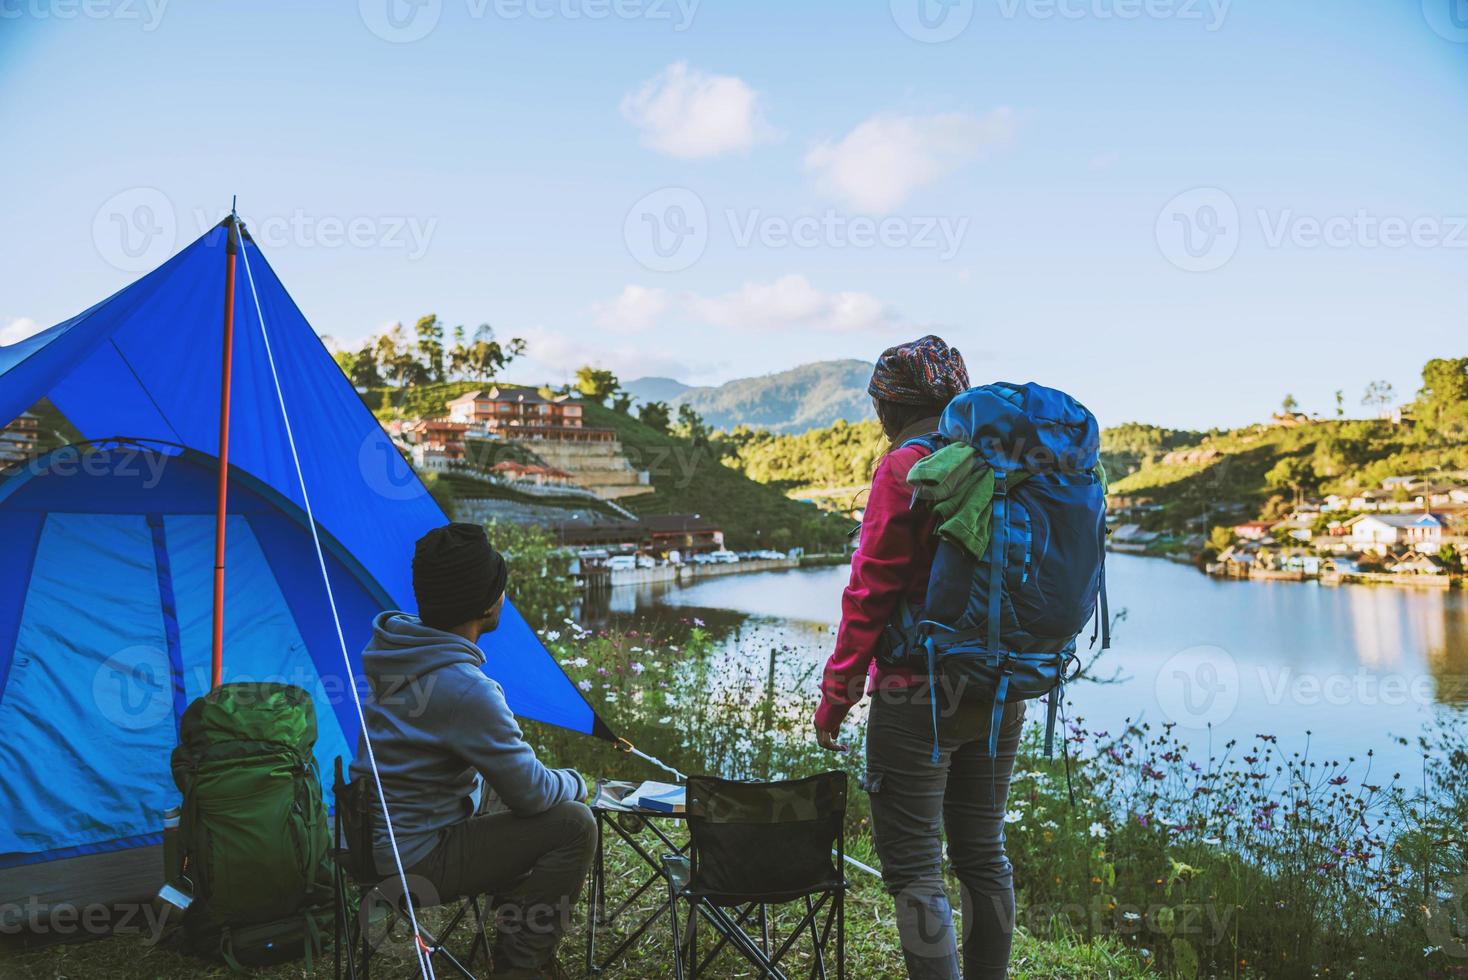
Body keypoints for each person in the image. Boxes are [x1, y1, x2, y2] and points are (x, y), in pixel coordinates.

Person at [813, 336, 1023, 980]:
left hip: (917, 693)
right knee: (984, 853)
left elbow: (869, 591)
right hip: (1000, 686)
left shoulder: (905, 466)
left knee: (914, 871)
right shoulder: (1005, 462)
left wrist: (836, 696)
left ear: (889, 407)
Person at [351, 522, 593, 980]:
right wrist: (581, 782)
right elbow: (535, 796)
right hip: (417, 858)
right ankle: (521, 967)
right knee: (572, 824)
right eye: (500, 585)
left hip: (380, 835)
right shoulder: (463, 689)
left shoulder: (398, 650)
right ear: (485, 601)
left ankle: (505, 934)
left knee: (506, 793)